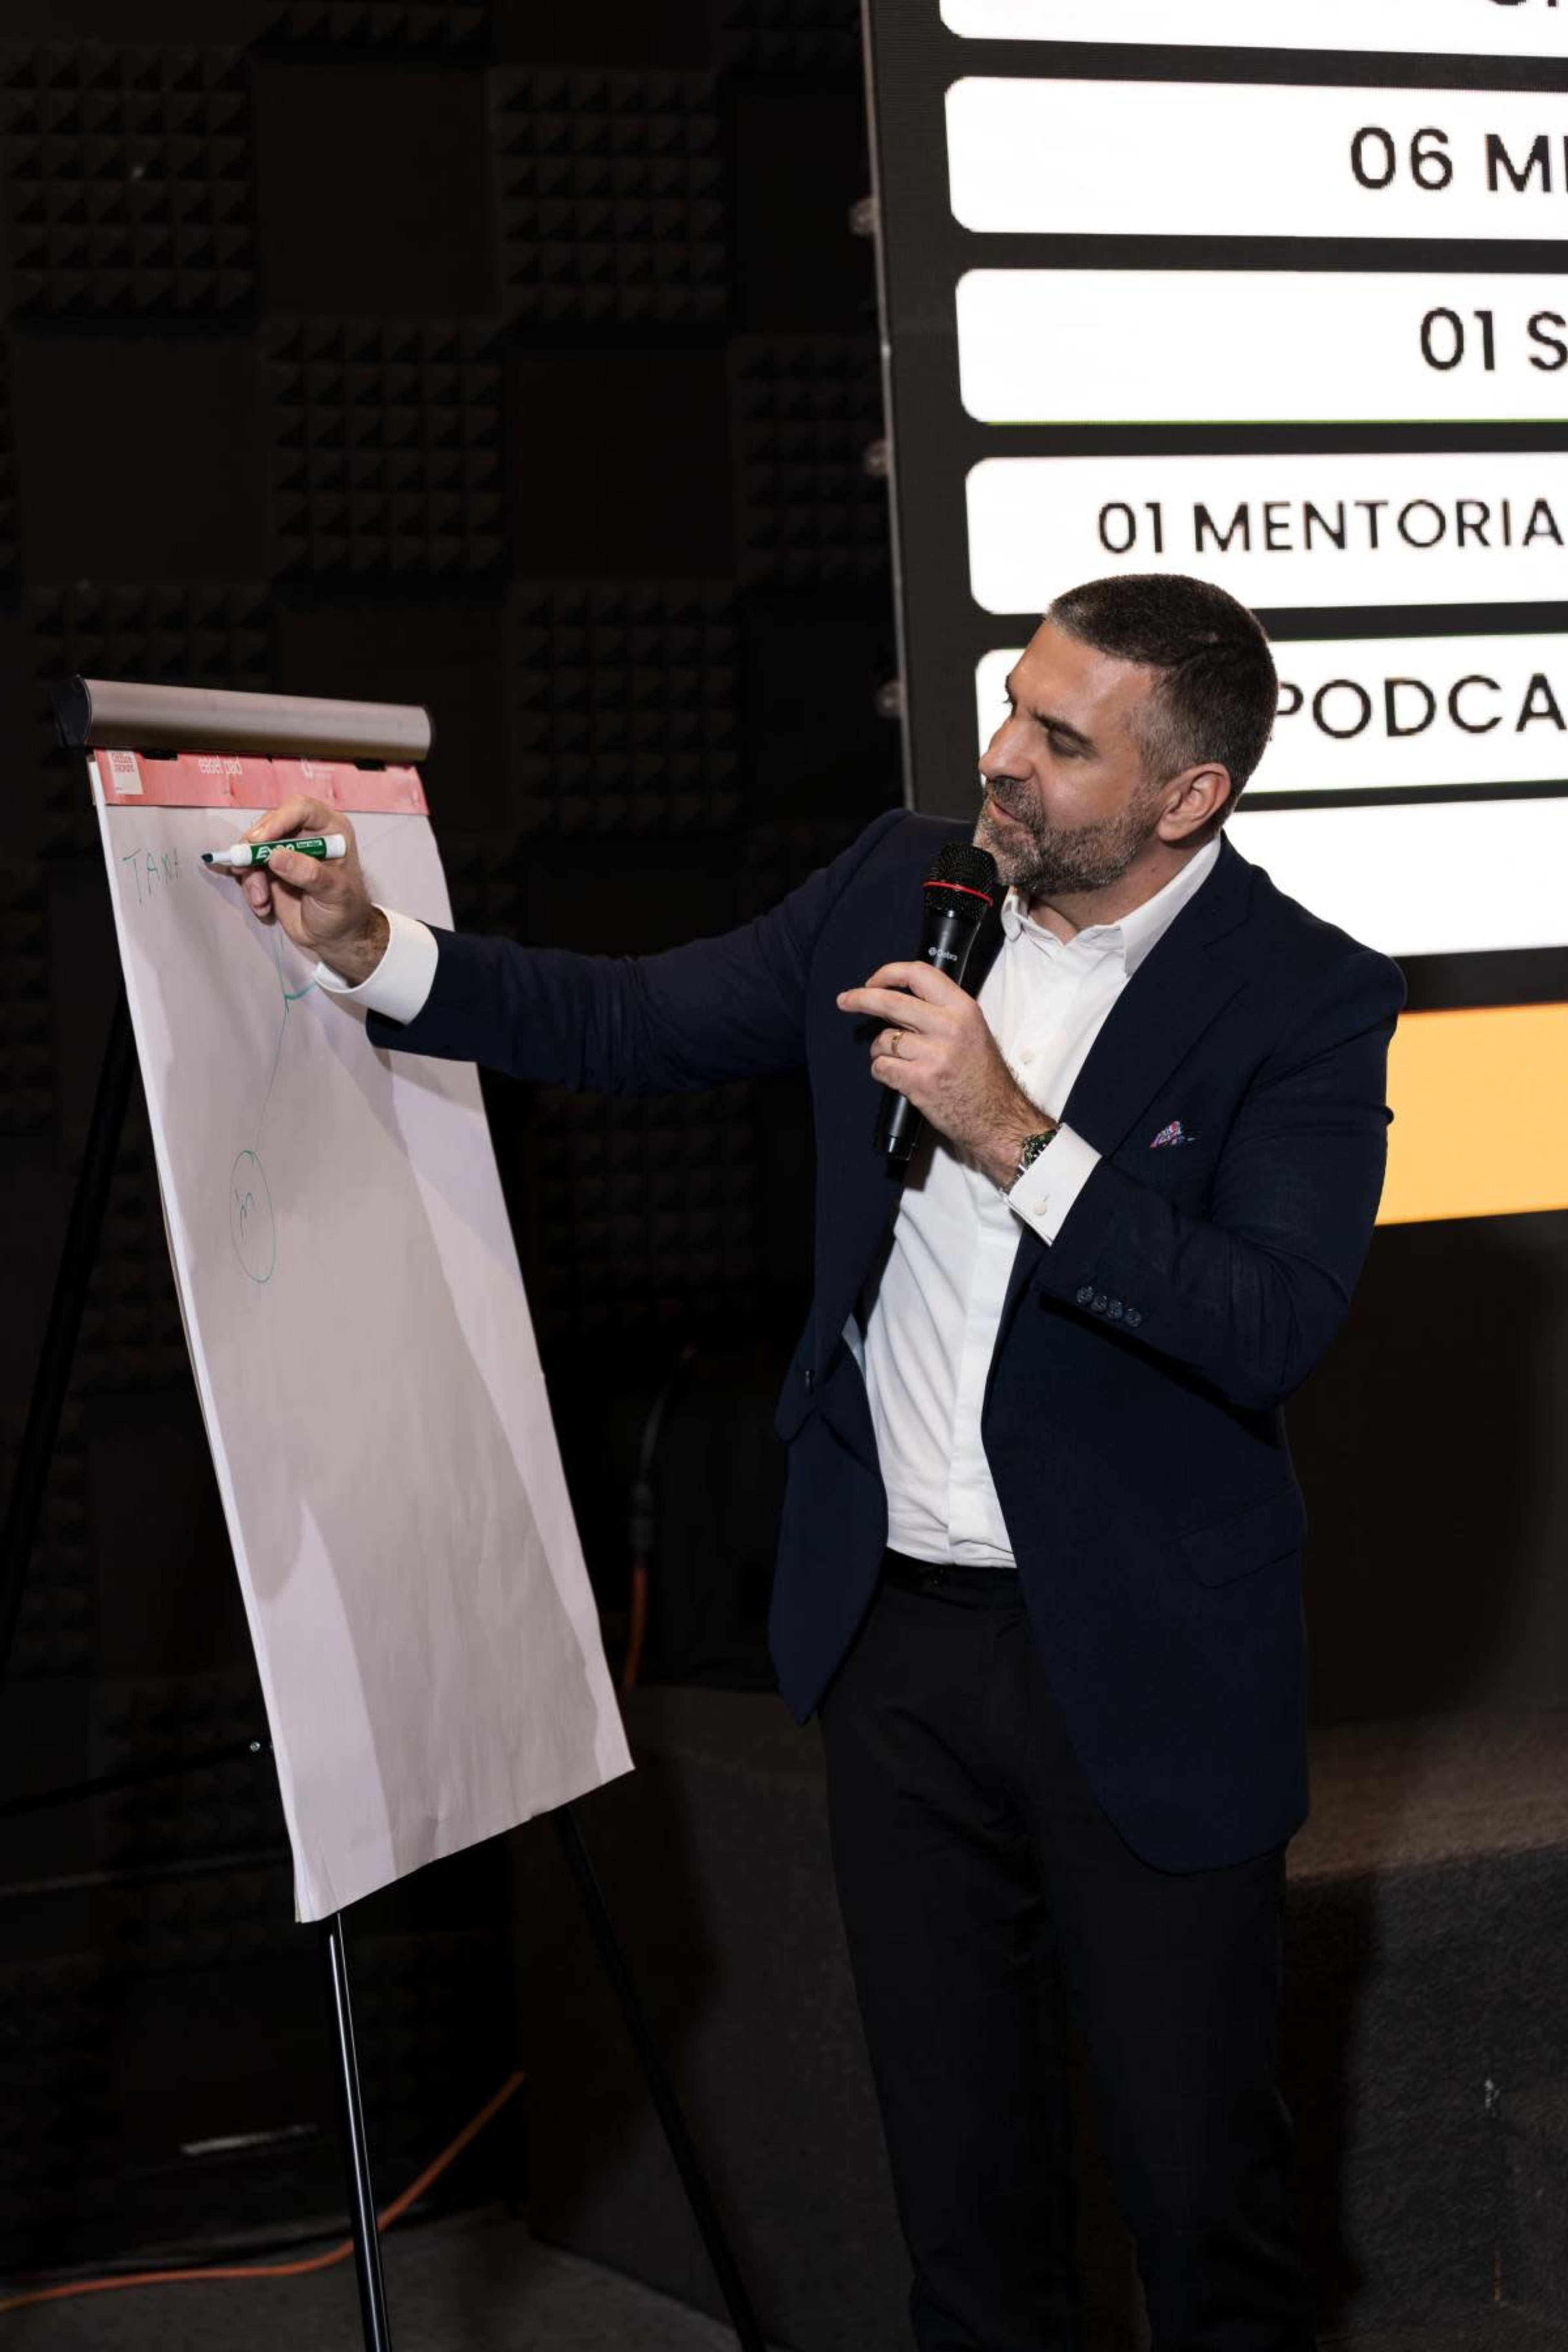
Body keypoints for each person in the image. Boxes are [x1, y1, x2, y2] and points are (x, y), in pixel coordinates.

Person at [229, 574, 1403, 2351]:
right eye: (1015, 707)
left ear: (1189, 798)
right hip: (901, 1651)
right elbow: (634, 1020)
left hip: (1146, 1664)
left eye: (1061, 743)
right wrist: (369, 949)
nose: (1001, 759)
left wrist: (1012, 1132)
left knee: (1201, 2204)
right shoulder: (900, 879)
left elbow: (1268, 1322)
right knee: (960, 2196)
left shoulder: (1306, 997)